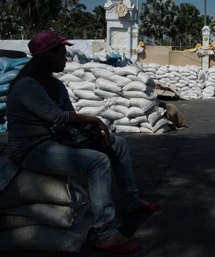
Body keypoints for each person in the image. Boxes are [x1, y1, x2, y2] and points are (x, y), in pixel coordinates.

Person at [6, 30, 159, 254]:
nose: (65, 58)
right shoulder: (26, 86)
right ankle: (106, 232)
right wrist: (95, 120)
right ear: (49, 55)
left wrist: (94, 134)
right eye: (62, 53)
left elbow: (69, 116)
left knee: (117, 144)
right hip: (33, 148)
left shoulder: (56, 86)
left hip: (56, 139)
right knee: (96, 162)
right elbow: (58, 117)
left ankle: (130, 200)